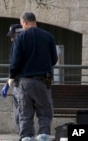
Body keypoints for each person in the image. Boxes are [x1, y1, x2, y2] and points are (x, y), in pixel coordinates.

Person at [7, 12, 58, 141]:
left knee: (24, 113)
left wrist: (11, 77)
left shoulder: (20, 38)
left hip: (24, 82)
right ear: (34, 21)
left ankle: (27, 137)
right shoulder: (48, 36)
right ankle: (44, 135)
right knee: (45, 112)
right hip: (43, 81)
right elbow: (54, 60)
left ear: (24, 22)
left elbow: (15, 62)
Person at [6, 23, 23, 133]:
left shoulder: (19, 43)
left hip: (21, 82)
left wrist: (11, 77)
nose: (12, 39)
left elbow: (15, 63)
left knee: (20, 113)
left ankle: (24, 136)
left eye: (13, 36)